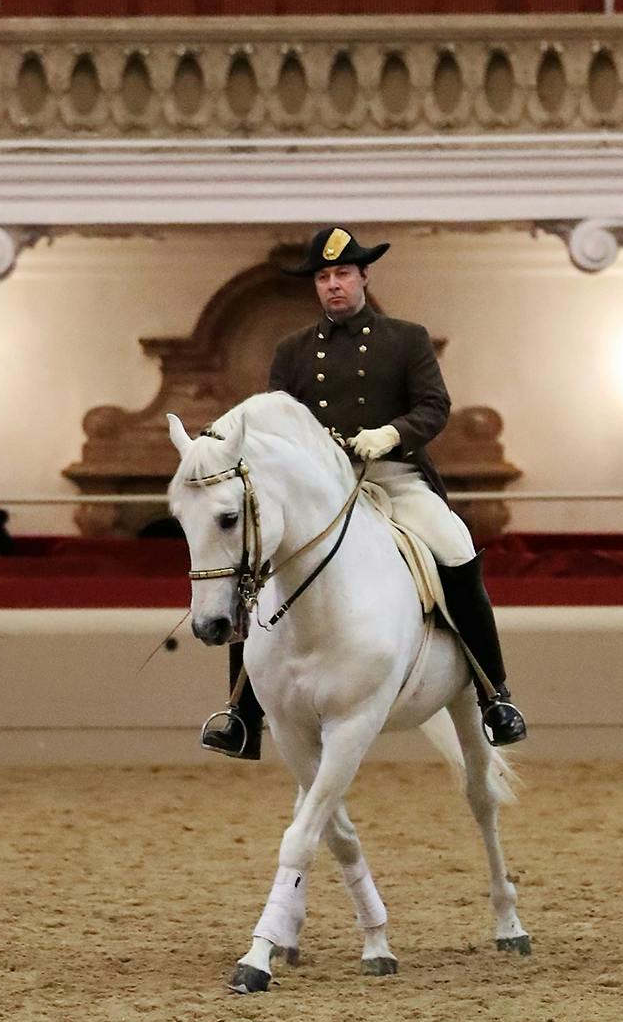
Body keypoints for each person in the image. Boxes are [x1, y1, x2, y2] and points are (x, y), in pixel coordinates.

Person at [201, 225, 527, 760]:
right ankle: (241, 712)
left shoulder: (406, 338)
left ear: (363, 277)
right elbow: (276, 419)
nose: (333, 284)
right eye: (324, 276)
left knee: (456, 549)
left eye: (343, 274)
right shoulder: (294, 351)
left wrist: (391, 434)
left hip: (395, 479)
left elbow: (433, 407)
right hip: (324, 491)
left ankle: (495, 693)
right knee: (254, 565)